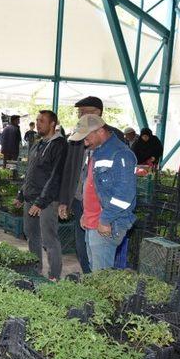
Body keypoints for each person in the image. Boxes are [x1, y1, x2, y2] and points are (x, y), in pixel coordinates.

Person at [58, 96, 124, 274]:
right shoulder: (77, 135)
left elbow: (121, 185)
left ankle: (95, 286)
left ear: (98, 114)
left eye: (85, 112)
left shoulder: (114, 138)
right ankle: (89, 280)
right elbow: (69, 169)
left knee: (99, 254)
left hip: (103, 207)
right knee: (83, 247)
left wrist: (107, 217)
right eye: (79, 113)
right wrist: (65, 200)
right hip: (81, 201)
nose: (81, 116)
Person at [69, 114, 137, 271]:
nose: (84, 143)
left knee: (101, 276)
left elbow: (125, 196)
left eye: (86, 138)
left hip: (107, 224)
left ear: (100, 131)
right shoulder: (98, 151)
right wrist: (87, 214)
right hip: (93, 222)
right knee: (94, 270)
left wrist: (105, 220)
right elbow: (92, 185)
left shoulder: (120, 154)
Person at [14, 110, 67, 280]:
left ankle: (54, 277)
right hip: (31, 198)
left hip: (47, 201)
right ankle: (35, 271)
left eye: (42, 121)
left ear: (53, 124)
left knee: (49, 240)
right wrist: (21, 195)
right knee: (31, 236)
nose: (38, 123)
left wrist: (41, 202)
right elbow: (31, 172)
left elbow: (55, 176)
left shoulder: (59, 145)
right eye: (37, 120)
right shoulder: (38, 144)